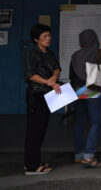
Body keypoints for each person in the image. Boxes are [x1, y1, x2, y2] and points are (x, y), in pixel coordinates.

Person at [23, 24, 61, 175]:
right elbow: (30, 75)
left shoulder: (49, 53)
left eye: (49, 35)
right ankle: (31, 166)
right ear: (36, 39)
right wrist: (48, 82)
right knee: (34, 131)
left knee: (41, 129)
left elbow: (57, 67)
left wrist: (54, 77)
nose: (48, 38)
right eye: (44, 36)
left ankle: (35, 161)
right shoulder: (31, 53)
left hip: (48, 95)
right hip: (36, 96)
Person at [69, 29, 101, 168]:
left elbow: (72, 75)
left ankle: (79, 154)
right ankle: (89, 155)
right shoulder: (99, 53)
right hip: (92, 89)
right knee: (96, 121)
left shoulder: (75, 56)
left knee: (80, 122)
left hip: (77, 91)